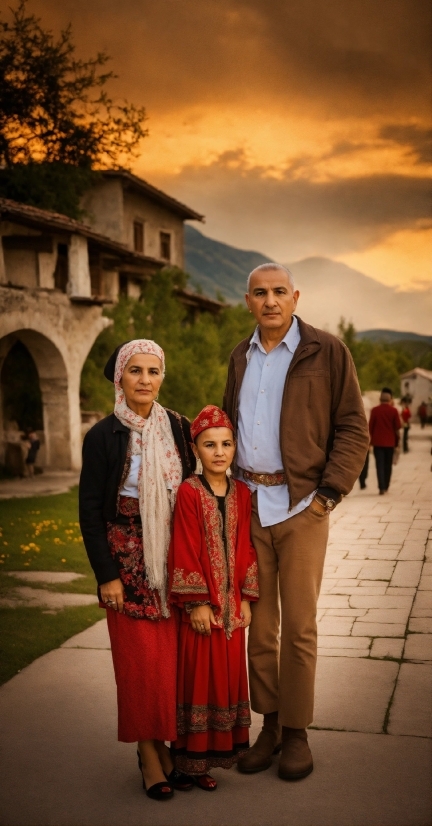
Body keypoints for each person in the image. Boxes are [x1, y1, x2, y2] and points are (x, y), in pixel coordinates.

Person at [223, 263, 369, 781]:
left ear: (295, 296)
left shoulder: (327, 351)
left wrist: (328, 495)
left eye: (279, 292)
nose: (270, 301)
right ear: (248, 301)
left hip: (302, 506)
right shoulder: (240, 355)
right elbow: (228, 420)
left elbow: (353, 424)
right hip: (247, 505)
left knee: (299, 628)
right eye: (260, 293)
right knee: (259, 629)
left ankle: (298, 734)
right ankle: (270, 725)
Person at [79, 339, 196, 801]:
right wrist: (106, 574)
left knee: (170, 663)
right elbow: (91, 511)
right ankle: (149, 754)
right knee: (139, 664)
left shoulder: (181, 430)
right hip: (126, 560)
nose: (145, 380)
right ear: (120, 379)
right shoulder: (102, 435)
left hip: (174, 557)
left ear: (162, 376)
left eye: (153, 371)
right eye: (135, 371)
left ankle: (168, 748)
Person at [169, 405, 259, 790]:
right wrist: (198, 602)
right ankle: (189, 762)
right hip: (202, 610)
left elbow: (245, 546)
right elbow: (185, 547)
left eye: (226, 444)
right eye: (209, 445)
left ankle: (217, 756)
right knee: (198, 681)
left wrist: (245, 599)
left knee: (226, 679)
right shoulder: (189, 492)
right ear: (196, 450)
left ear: (235, 447)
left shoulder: (242, 492)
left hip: (232, 610)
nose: (219, 452)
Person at [369, 388, 401, 494]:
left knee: (379, 465)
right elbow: (398, 426)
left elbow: (370, 427)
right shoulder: (394, 411)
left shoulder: (375, 410)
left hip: (377, 443)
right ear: (390, 399)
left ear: (380, 399)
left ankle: (381, 487)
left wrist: (369, 441)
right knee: (388, 465)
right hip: (390, 443)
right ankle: (386, 486)